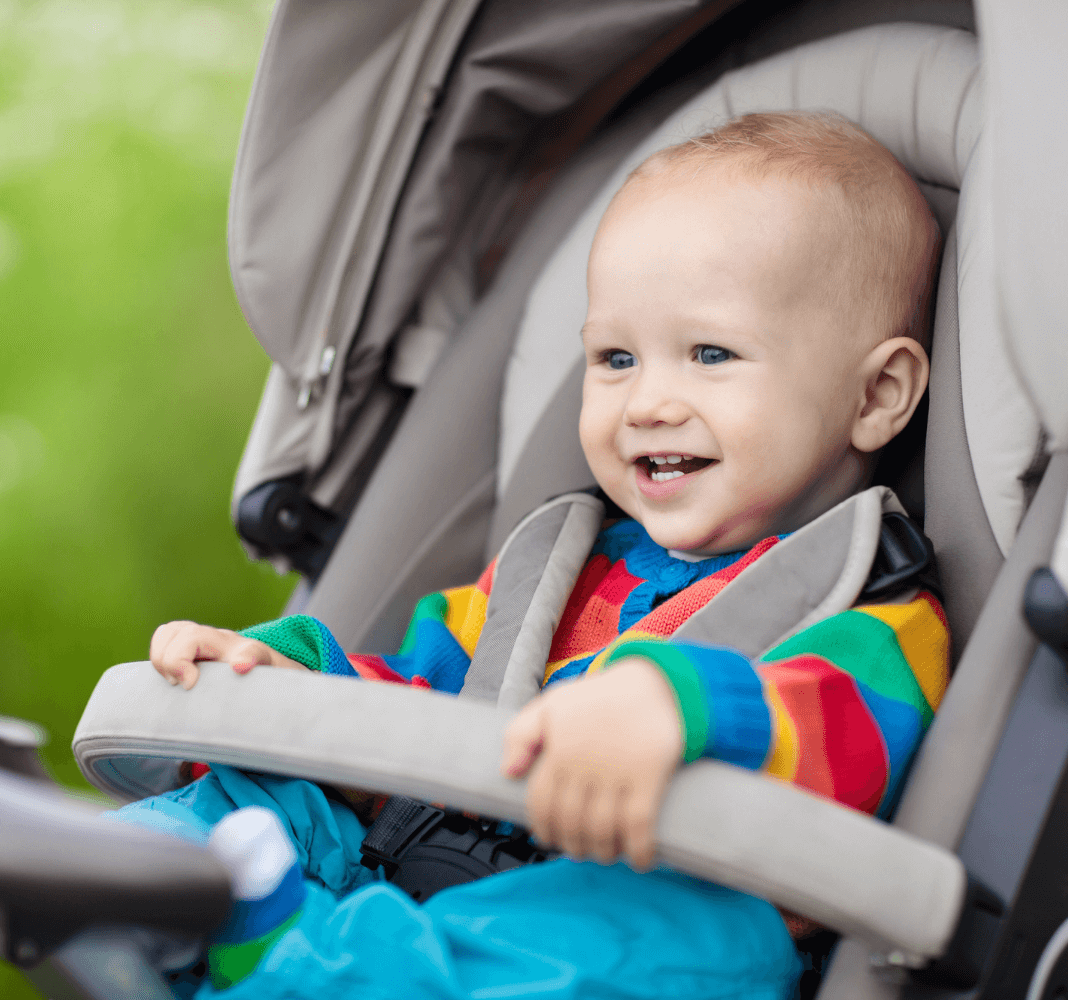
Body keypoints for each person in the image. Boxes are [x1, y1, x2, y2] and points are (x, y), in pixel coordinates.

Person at [116, 111, 950, 999]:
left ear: (877, 395)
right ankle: (151, 890)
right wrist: (291, 682)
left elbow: (839, 750)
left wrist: (679, 705)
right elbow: (414, 704)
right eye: (616, 358)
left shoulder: (875, 617)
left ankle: (277, 955)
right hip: (417, 865)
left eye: (710, 353)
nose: (647, 403)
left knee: (664, 937)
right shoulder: (547, 570)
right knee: (263, 794)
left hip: (640, 910)